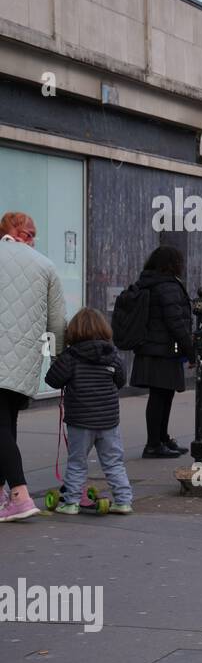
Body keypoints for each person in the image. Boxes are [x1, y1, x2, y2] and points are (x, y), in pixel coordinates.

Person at [0, 211, 66, 522]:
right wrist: (57, 360)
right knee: (6, 425)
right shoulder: (45, 266)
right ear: (11, 230)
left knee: (1, 427)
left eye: (34, 232)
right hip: (25, 360)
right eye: (28, 232)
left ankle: (19, 495)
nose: (32, 237)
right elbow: (56, 323)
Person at [44, 308, 133, 514]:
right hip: (109, 420)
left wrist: (56, 360)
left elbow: (53, 380)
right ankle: (123, 500)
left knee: (77, 462)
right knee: (113, 462)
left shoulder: (71, 356)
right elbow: (121, 381)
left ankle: (72, 502)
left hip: (80, 420)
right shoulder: (112, 355)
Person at [129, 246, 195, 459]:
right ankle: (153, 444)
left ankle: (161, 438)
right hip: (162, 350)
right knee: (160, 397)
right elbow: (176, 322)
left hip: (153, 348)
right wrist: (191, 350)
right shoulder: (167, 286)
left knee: (163, 395)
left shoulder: (149, 281)